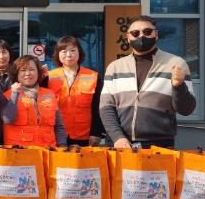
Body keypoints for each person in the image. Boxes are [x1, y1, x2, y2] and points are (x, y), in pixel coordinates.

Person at [100, 15, 196, 149]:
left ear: (156, 34)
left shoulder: (175, 64)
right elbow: (106, 107)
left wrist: (179, 86)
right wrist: (118, 137)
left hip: (159, 145)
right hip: (120, 144)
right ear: (128, 37)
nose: (141, 36)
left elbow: (187, 109)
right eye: (135, 33)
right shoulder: (115, 67)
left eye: (147, 32)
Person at [46, 36, 105, 146]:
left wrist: (96, 133)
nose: (69, 55)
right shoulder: (49, 77)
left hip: (84, 136)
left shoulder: (93, 76)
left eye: (73, 50)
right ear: (58, 54)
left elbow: (98, 107)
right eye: (64, 51)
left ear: (79, 52)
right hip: (55, 134)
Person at [0, 55, 67, 147]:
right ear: (17, 74)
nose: (28, 73)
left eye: (32, 69)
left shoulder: (50, 94)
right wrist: (15, 93)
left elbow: (59, 126)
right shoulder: (8, 95)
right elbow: (8, 119)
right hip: (19, 151)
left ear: (38, 73)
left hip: (48, 151)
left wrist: (62, 146)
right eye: (23, 70)